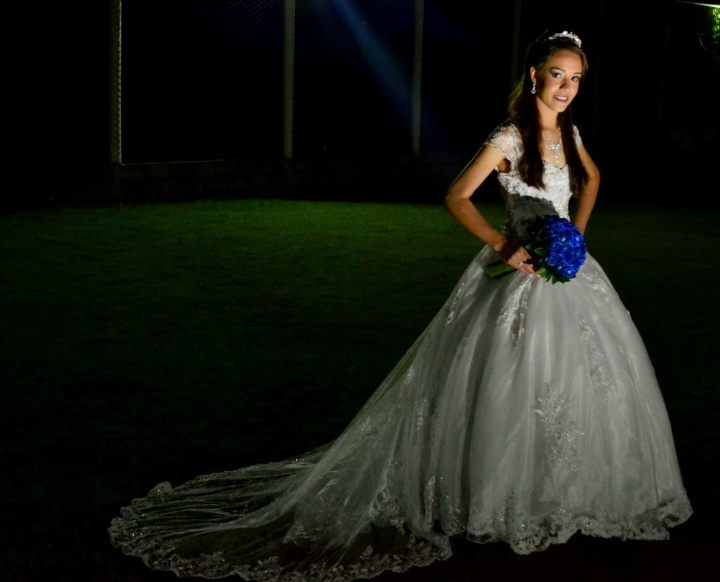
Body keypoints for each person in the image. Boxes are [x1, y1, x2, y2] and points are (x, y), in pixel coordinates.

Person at [109, 30, 692, 580]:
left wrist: (576, 238)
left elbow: (591, 180)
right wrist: (505, 246)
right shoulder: (509, 138)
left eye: (576, 78)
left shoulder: (569, 131)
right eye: (557, 75)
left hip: (571, 276)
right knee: (514, 382)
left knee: (580, 380)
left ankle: (571, 492)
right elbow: (456, 196)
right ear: (534, 75)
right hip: (518, 278)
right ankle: (501, 494)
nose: (566, 87)